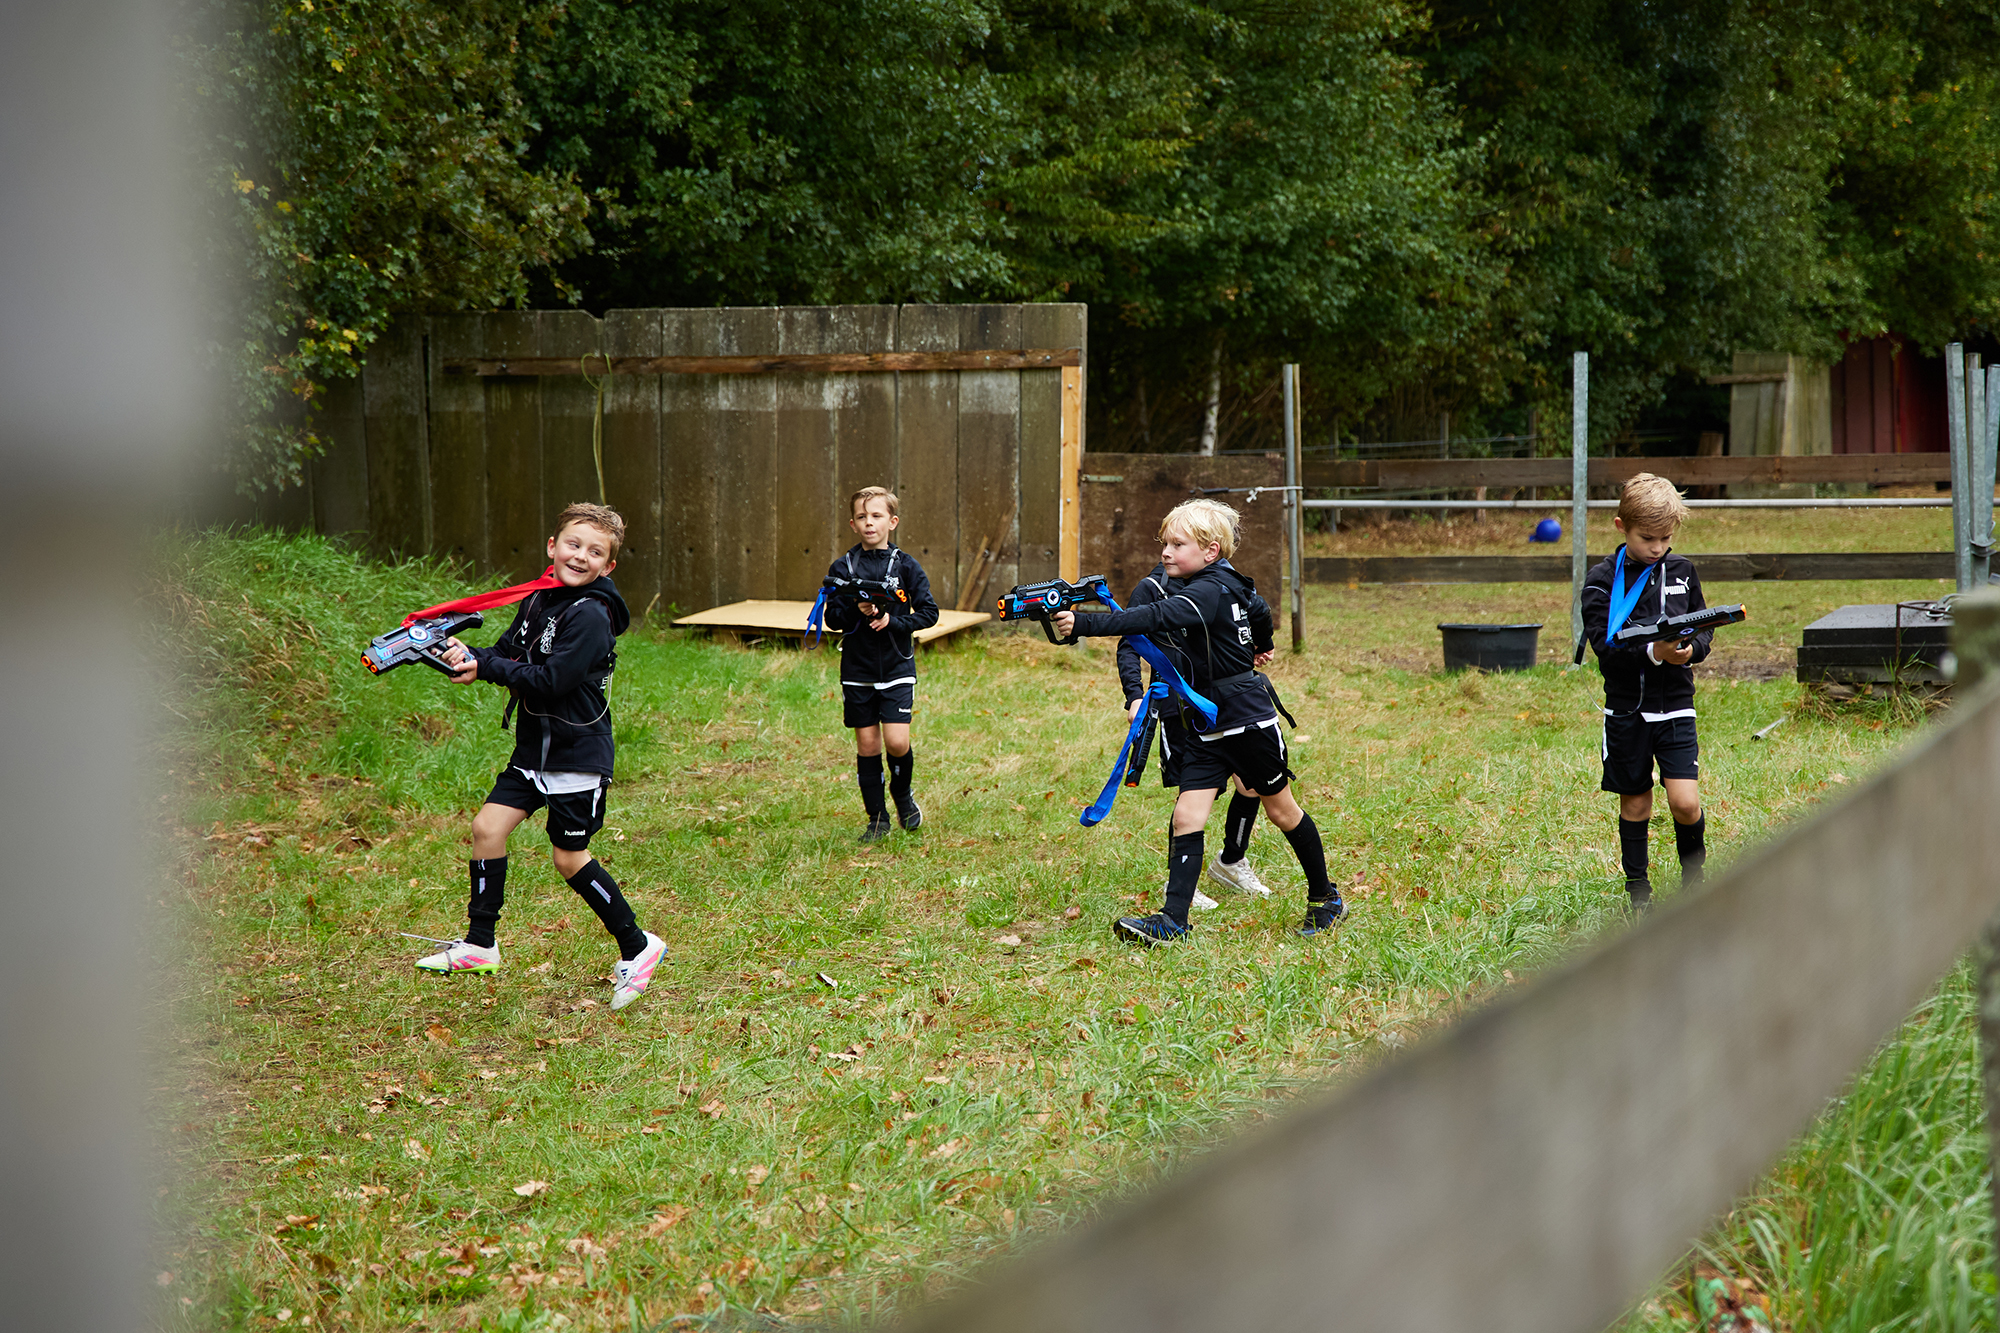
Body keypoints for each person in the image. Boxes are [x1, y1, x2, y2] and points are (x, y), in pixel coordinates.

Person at [1055, 498, 1343, 944]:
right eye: (1164, 543)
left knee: (1281, 810)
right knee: (1187, 816)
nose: (1165, 552)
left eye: (1177, 544)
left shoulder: (1210, 589)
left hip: (1246, 722)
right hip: (1205, 725)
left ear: (1211, 551)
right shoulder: (1210, 583)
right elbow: (1258, 607)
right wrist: (1261, 642)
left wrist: (1083, 624)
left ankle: (1326, 899)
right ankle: (1173, 920)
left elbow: (1155, 617)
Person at [413, 502, 667, 1009]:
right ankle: (480, 945)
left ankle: (638, 946)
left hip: (577, 755)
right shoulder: (538, 598)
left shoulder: (592, 615)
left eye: (595, 552)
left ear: (608, 566)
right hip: (534, 752)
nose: (581, 556)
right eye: (573, 544)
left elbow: (553, 681)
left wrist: (489, 670)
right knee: (487, 829)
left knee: (568, 858)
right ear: (552, 546)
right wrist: (469, 657)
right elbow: (507, 653)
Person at [1580, 473, 1711, 912]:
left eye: (1666, 538)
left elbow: (1703, 627)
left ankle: (1695, 885)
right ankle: (1639, 895)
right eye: (1647, 538)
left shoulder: (1684, 572)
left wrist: (1692, 649)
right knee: (1636, 804)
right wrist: (1655, 653)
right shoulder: (1601, 581)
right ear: (1622, 527)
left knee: (1685, 803)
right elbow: (1606, 649)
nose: (1657, 548)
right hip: (1626, 712)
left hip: (1675, 707)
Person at [1116, 563, 1271, 913]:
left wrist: (1256, 648)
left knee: (1251, 783)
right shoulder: (1152, 588)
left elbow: (1245, 620)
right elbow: (1128, 644)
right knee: (1194, 795)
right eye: (1171, 543)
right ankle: (1180, 883)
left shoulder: (1220, 582)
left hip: (1228, 703)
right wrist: (1134, 695)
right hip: (1178, 706)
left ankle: (1231, 861)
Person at [825, 486, 939, 843]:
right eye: (862, 517)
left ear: (892, 521)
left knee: (897, 741)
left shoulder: (906, 565)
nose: (869, 522)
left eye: (876, 516)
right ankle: (877, 819)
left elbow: (929, 613)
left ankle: (902, 796)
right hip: (857, 670)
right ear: (852, 524)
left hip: (896, 668)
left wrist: (894, 622)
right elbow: (832, 618)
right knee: (868, 744)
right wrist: (855, 609)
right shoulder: (842, 567)